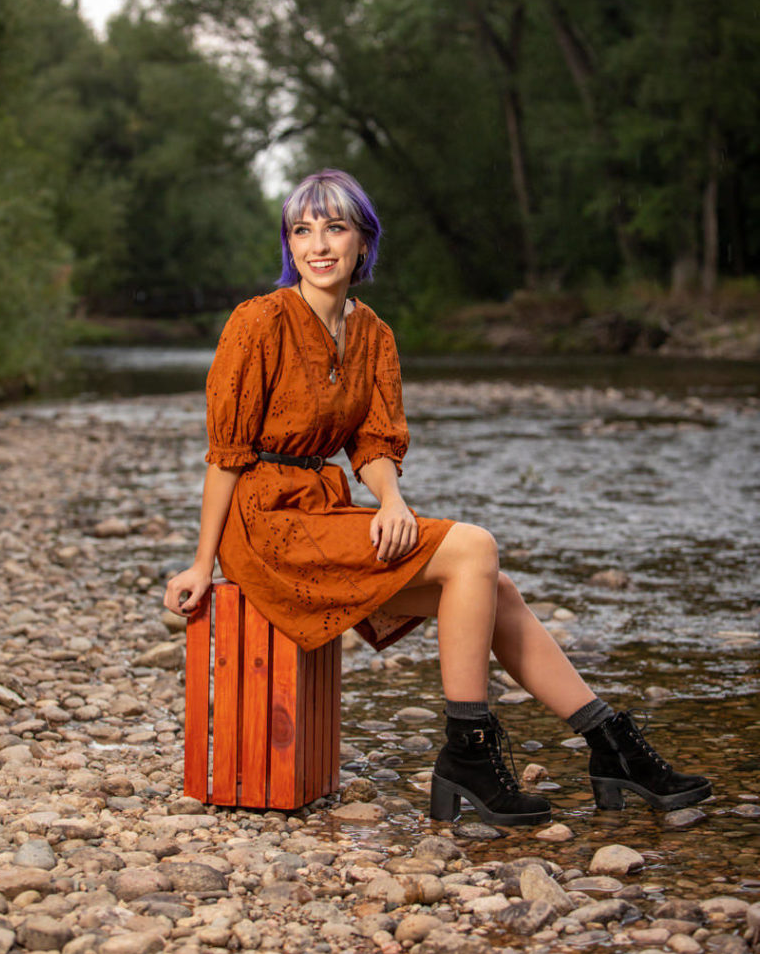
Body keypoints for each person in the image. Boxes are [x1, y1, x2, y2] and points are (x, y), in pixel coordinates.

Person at [164, 168, 711, 826]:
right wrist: (201, 563)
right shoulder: (258, 321)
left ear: (363, 242)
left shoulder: (373, 335)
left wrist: (392, 501)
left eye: (334, 227)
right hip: (263, 527)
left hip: (322, 509)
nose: (318, 243)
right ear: (289, 244)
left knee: (492, 586)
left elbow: (373, 442)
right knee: (472, 546)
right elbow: (225, 455)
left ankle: (608, 742)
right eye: (301, 229)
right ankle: (468, 753)